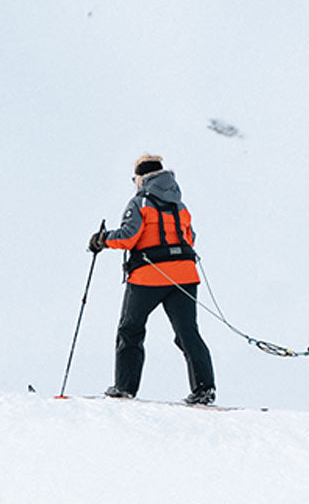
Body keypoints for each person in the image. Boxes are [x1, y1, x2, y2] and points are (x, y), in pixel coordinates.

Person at [89, 154, 217, 405]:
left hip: (148, 276)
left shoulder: (140, 203)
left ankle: (125, 388)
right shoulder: (180, 205)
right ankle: (204, 388)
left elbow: (128, 237)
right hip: (184, 275)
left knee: (131, 330)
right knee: (188, 333)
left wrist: (102, 239)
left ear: (142, 177)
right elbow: (189, 237)